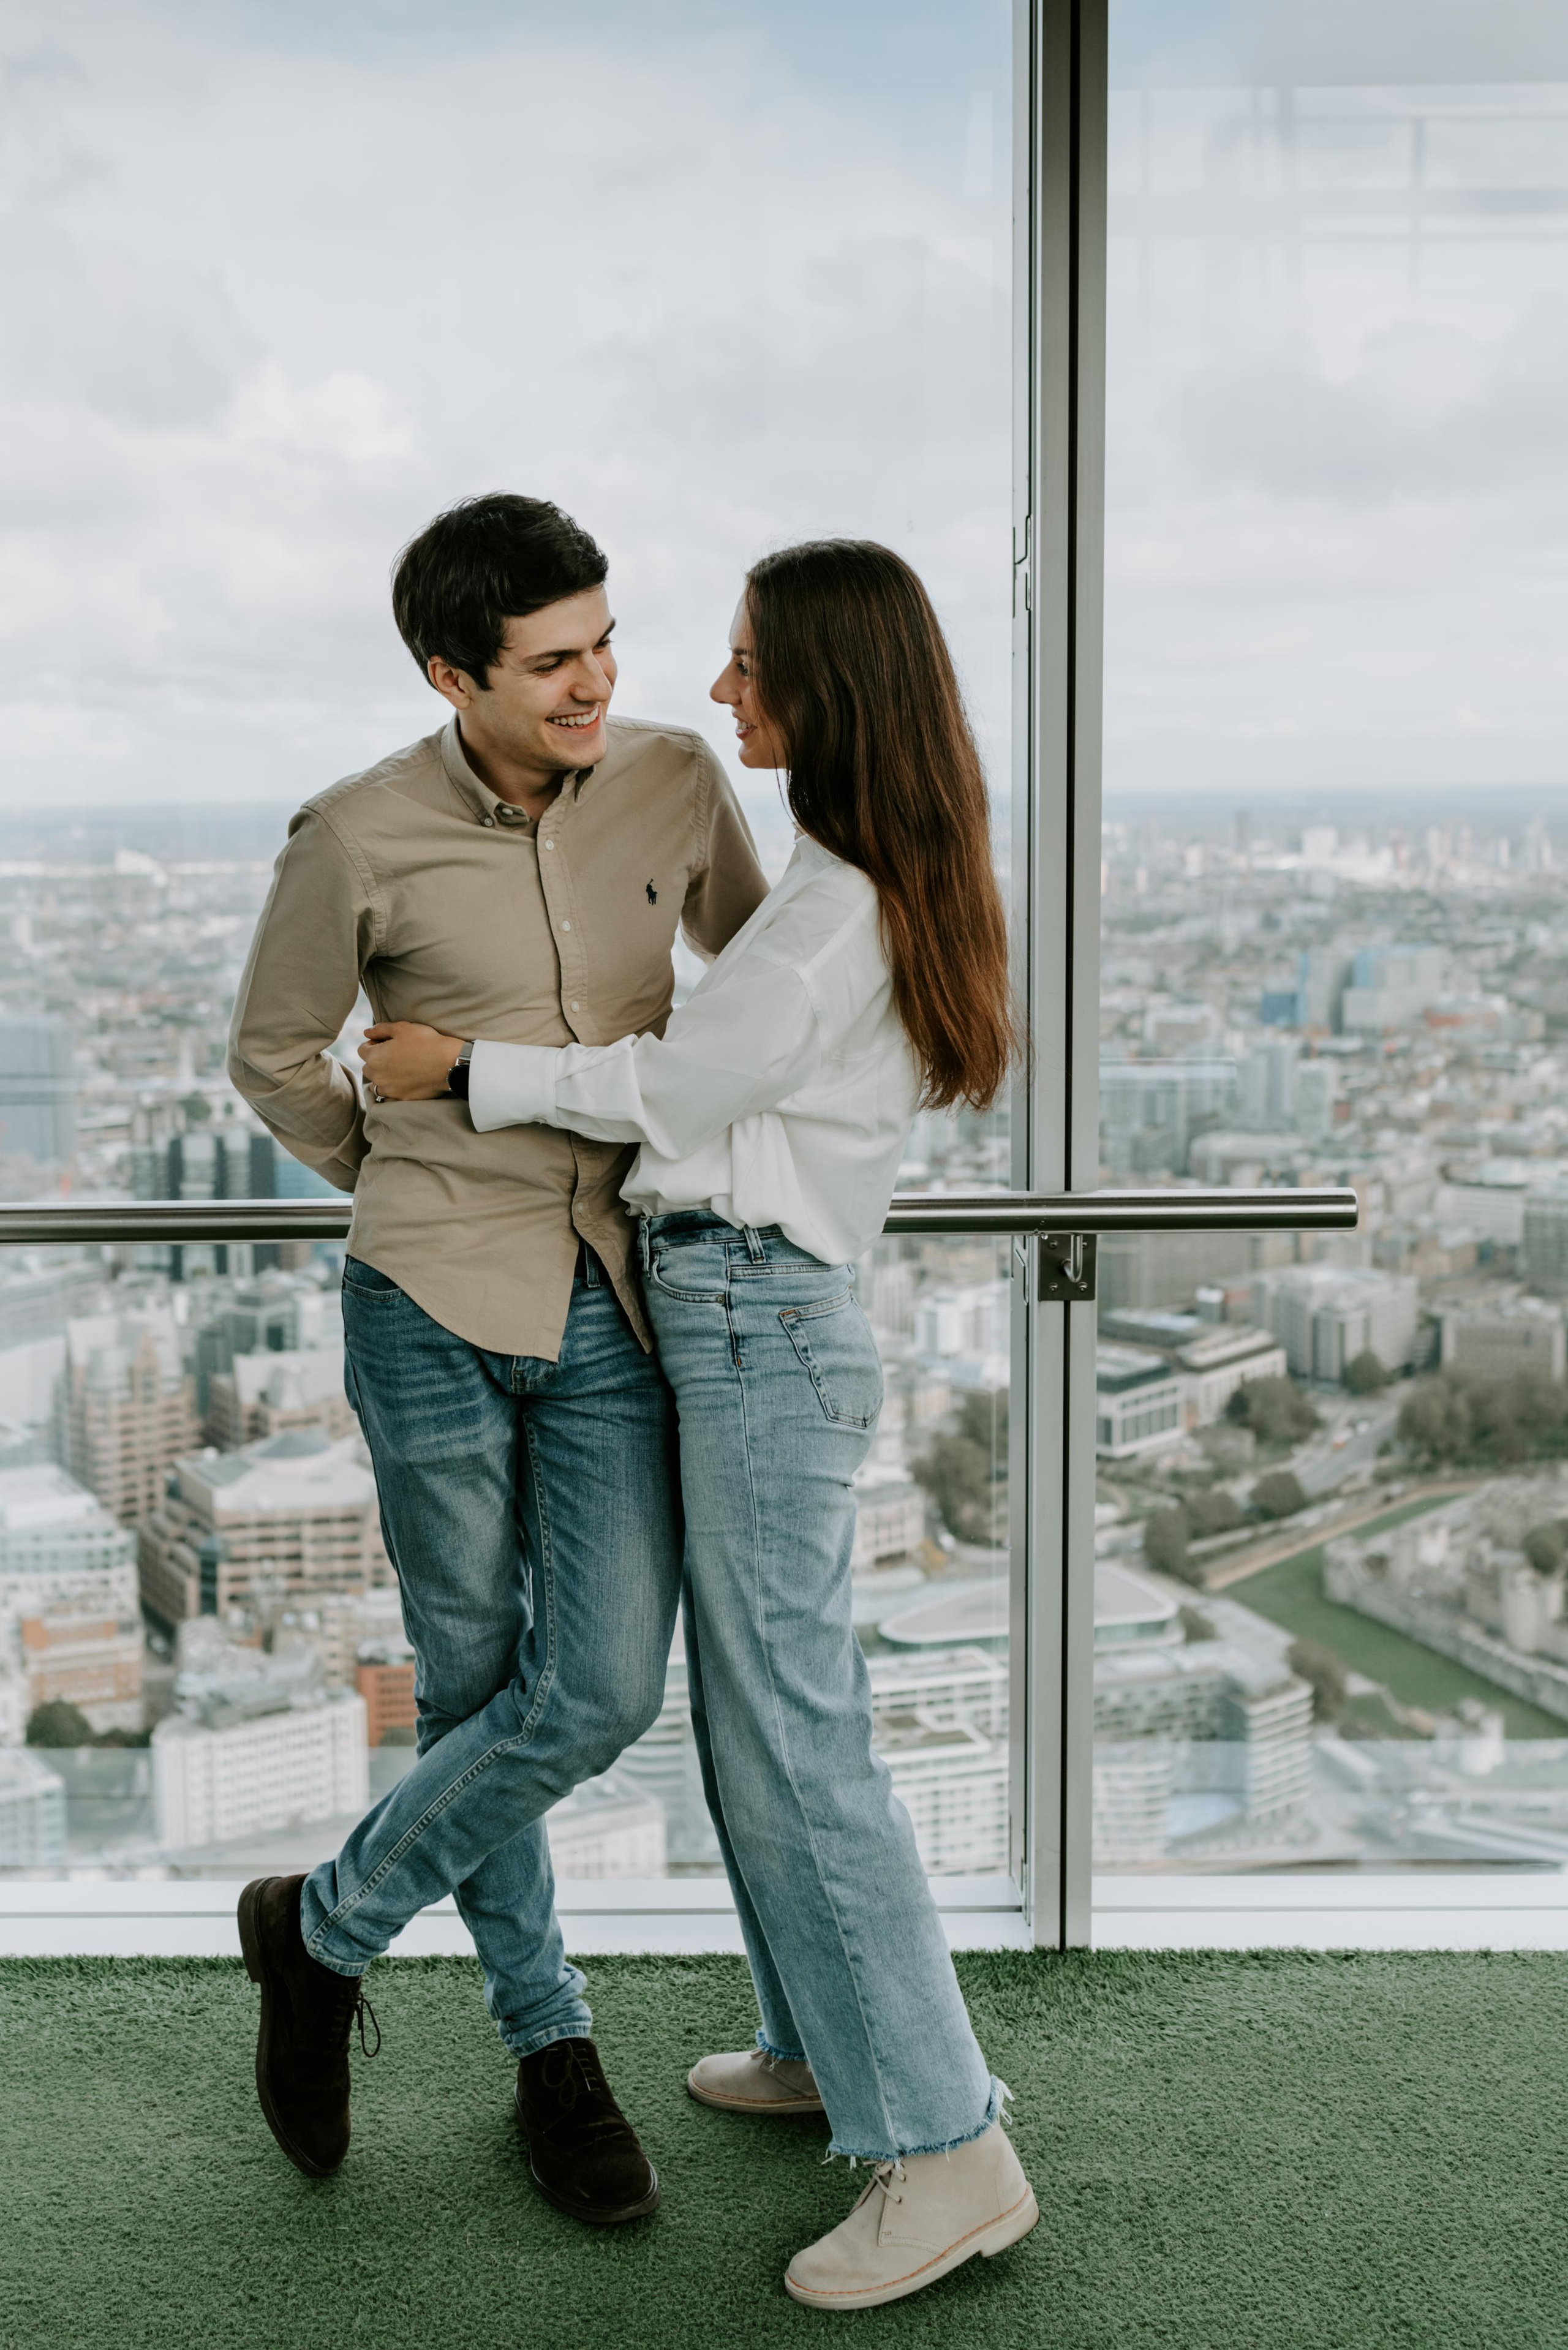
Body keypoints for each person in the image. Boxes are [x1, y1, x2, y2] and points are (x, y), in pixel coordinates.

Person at [359, 538, 1039, 2311]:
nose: (716, 695)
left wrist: (467, 1071)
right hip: (736, 1318)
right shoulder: (853, 875)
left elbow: (674, 1085)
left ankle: (948, 2146)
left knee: (800, 1743)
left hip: (754, 1321)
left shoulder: (824, 921)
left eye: (749, 669)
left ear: (829, 692)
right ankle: (826, 2046)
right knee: (760, 1728)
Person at [227, 494, 768, 2221]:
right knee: (476, 1694)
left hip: (618, 1297)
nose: (599, 680)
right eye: (553, 662)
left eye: (605, 640)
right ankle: (554, 2050)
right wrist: (394, 1174)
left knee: (594, 1694)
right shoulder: (356, 833)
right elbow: (272, 1051)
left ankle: (319, 1933)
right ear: (452, 671)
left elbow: (760, 998)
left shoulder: (680, 782)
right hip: (427, 1311)